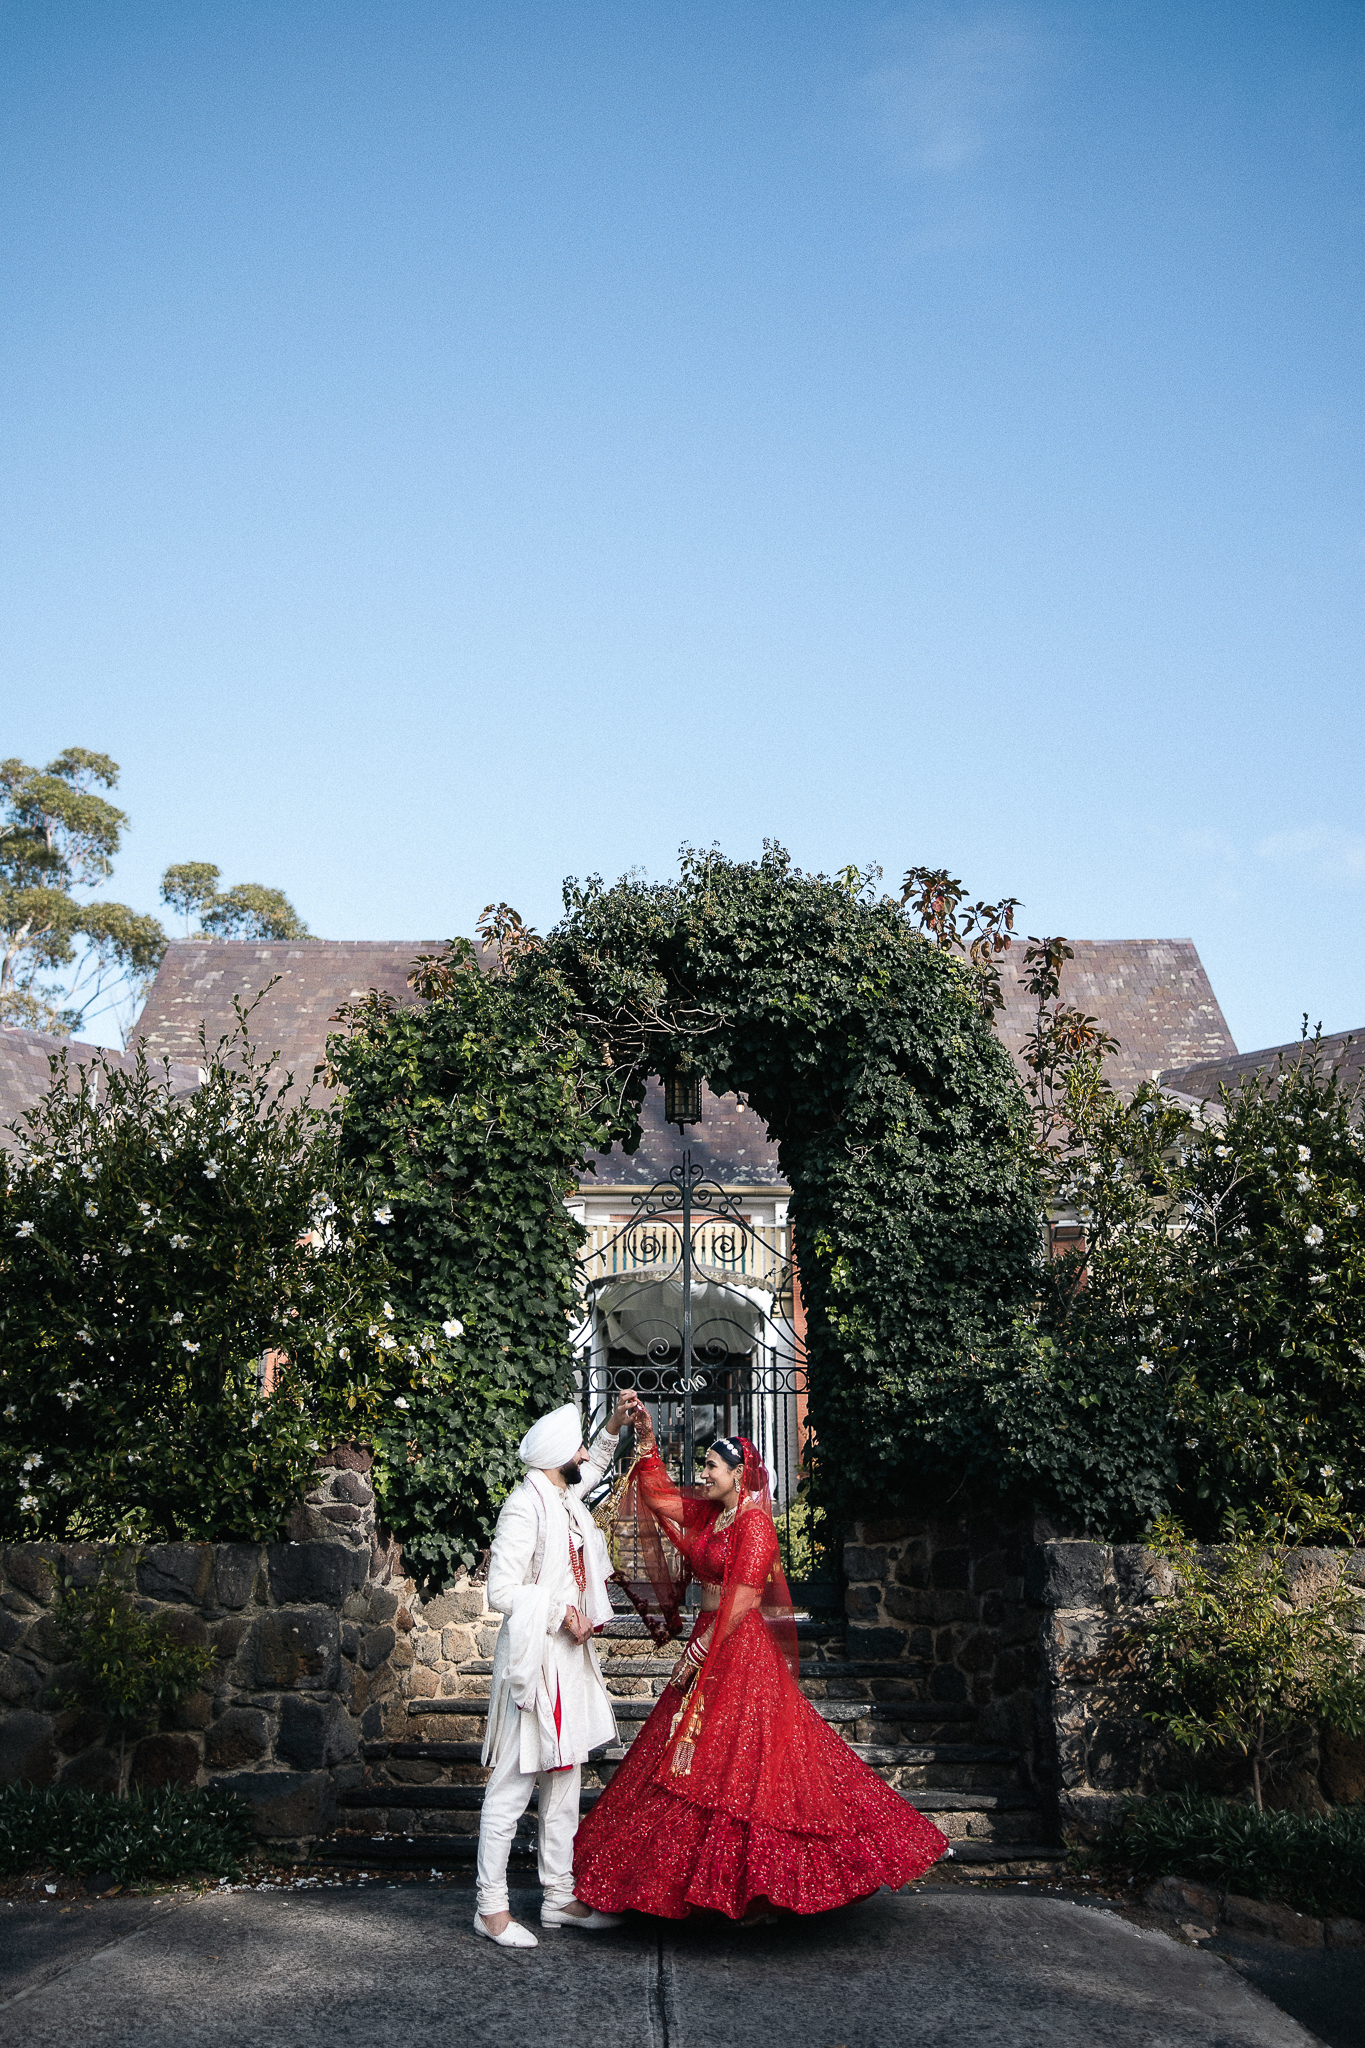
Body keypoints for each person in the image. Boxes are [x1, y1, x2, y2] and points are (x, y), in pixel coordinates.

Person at [571, 1399, 949, 1923]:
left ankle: (754, 1888)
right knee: (688, 1754)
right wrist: (647, 1440)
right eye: (703, 1465)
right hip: (710, 1634)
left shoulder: (754, 1524)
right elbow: (659, 1499)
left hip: (735, 1645)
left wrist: (700, 1651)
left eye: (711, 1467)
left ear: (738, 1474)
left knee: (740, 1759)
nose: (702, 1474)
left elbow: (745, 1596)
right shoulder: (715, 1514)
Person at [473, 1394, 633, 1948]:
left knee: (565, 1782)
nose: (585, 1454)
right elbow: (501, 1590)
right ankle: (490, 1908)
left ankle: (559, 1897)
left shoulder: (561, 1497)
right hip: (534, 1662)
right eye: (578, 1448)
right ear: (557, 1456)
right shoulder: (525, 1507)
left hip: (567, 1662)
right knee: (512, 1784)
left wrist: (613, 1424)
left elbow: (596, 1467)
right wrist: (563, 1612)